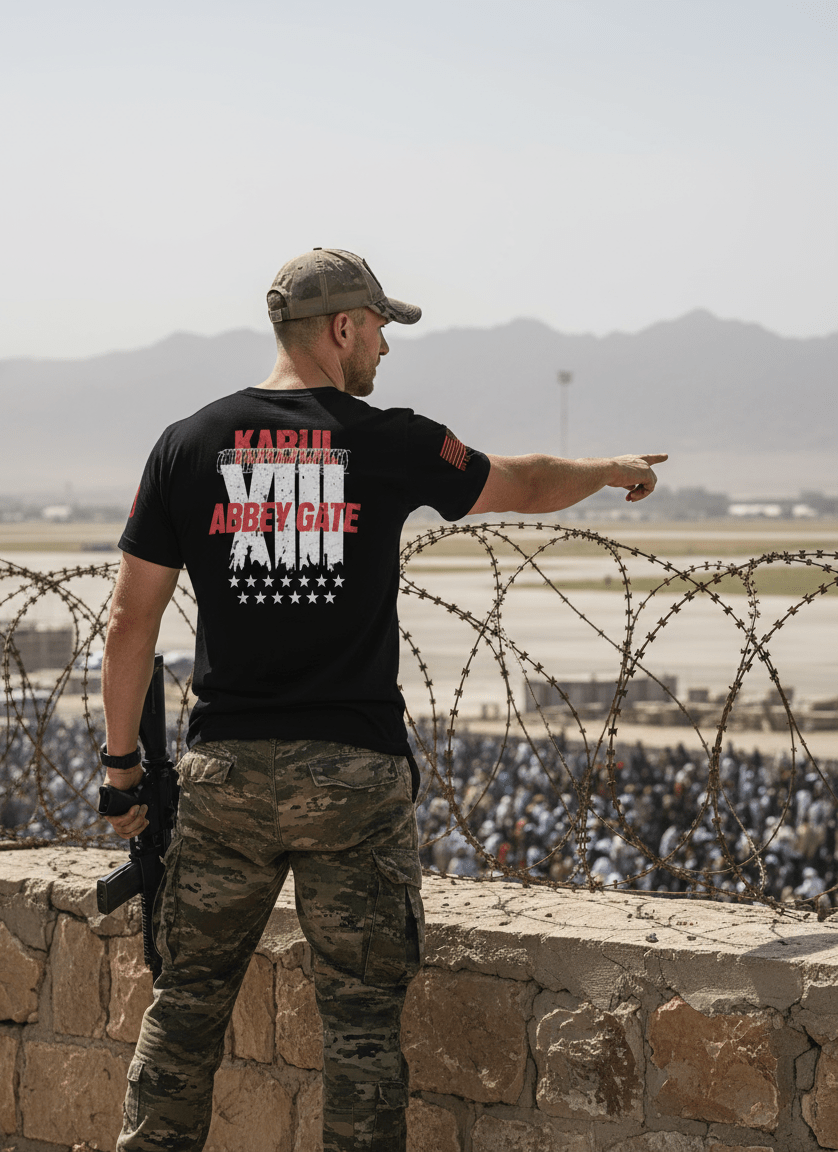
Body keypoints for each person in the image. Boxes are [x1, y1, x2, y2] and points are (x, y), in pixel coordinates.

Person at [100, 247, 667, 1152]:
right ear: (341, 330)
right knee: (362, 1035)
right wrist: (604, 468)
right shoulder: (389, 439)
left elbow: (132, 621)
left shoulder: (188, 442)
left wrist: (122, 770)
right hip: (353, 775)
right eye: (379, 332)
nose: (385, 352)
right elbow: (518, 484)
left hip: (225, 778)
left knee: (184, 1014)